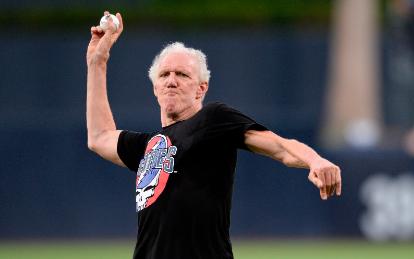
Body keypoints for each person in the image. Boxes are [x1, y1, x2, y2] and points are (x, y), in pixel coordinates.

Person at [86, 11, 342, 259]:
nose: (171, 81)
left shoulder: (213, 120)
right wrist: (97, 63)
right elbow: (99, 137)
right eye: (164, 75)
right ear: (155, 89)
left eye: (182, 74)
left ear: (201, 89)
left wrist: (314, 160)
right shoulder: (148, 147)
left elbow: (280, 147)